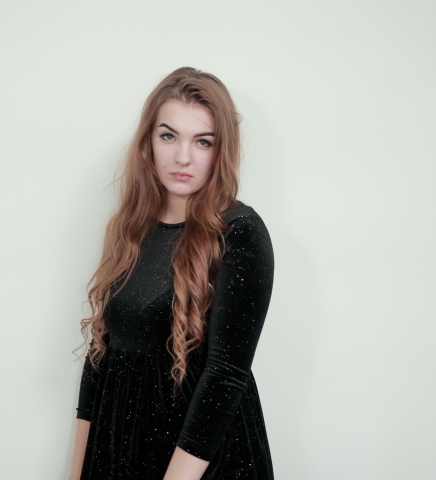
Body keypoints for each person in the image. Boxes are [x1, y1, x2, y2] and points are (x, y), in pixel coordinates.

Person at [69, 67, 275, 480]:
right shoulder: (130, 228)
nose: (183, 157)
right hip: (122, 449)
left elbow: (225, 376)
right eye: (169, 136)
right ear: (148, 142)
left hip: (201, 462)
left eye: (202, 142)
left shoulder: (239, 232)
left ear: (221, 151)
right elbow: (100, 358)